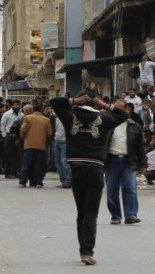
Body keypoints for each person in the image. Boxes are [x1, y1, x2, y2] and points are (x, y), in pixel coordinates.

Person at [50, 90, 128, 266]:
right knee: (91, 213)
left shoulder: (70, 116)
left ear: (79, 102)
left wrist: (73, 100)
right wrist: (106, 105)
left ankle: (82, 250)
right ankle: (87, 251)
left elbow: (54, 102)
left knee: (81, 211)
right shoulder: (105, 119)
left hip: (76, 168)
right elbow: (123, 114)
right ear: (95, 103)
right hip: (96, 169)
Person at [104, 99, 146, 225]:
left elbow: (140, 146)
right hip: (111, 160)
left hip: (128, 161)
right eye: (115, 109)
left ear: (126, 110)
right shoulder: (107, 126)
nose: (118, 112)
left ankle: (131, 215)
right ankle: (115, 216)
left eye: (121, 110)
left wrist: (143, 163)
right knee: (112, 190)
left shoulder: (134, 126)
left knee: (130, 188)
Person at [19, 101, 52, 188]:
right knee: (39, 164)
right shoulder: (46, 119)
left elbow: (23, 129)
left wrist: (24, 138)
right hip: (41, 145)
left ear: (33, 109)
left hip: (28, 144)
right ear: (42, 110)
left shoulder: (28, 117)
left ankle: (23, 182)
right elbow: (49, 133)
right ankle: (38, 182)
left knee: (26, 163)